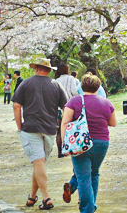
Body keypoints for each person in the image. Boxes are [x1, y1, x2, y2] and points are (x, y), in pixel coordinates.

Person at [12, 58, 67, 209]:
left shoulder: (26, 83)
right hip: (50, 129)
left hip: (30, 128)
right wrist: (64, 126)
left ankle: (46, 198)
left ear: (36, 68)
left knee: (38, 162)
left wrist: (19, 126)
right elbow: (65, 107)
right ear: (49, 70)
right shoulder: (56, 85)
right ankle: (31, 197)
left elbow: (17, 105)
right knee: (39, 163)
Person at [60, 73, 116, 213]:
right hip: (102, 143)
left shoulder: (74, 101)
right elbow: (113, 123)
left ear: (82, 86)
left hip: (80, 143)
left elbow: (65, 122)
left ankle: (87, 209)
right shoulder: (107, 103)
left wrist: (64, 143)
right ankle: (91, 204)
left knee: (83, 177)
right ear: (98, 87)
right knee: (94, 174)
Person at [54, 63, 81, 158]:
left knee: (59, 130)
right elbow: (74, 92)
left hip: (58, 108)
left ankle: (60, 151)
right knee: (72, 128)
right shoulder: (71, 79)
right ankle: (71, 148)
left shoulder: (55, 81)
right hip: (70, 107)